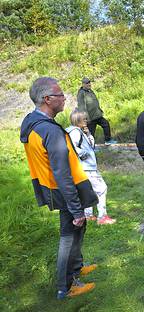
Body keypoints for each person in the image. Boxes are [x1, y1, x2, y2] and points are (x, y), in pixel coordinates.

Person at [20, 77, 98, 299]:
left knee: (78, 230)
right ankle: (66, 286)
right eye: (60, 95)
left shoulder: (32, 122)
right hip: (64, 191)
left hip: (55, 189)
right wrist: (75, 208)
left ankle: (77, 267)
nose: (65, 98)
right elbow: (62, 174)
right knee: (69, 236)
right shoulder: (50, 131)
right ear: (47, 99)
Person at [66, 109, 116, 225]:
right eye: (84, 119)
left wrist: (88, 134)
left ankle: (88, 215)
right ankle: (102, 217)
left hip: (85, 167)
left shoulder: (79, 131)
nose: (86, 120)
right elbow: (72, 147)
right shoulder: (75, 132)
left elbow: (90, 145)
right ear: (77, 120)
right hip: (87, 167)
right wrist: (84, 154)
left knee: (89, 190)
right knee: (102, 189)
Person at [77, 77, 117, 145]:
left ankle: (108, 140)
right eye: (87, 83)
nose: (89, 84)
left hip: (97, 115)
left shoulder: (90, 91)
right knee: (91, 134)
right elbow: (81, 107)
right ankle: (91, 147)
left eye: (89, 82)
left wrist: (100, 110)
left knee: (106, 124)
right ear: (83, 84)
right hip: (90, 117)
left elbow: (95, 102)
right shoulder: (81, 93)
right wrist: (86, 118)